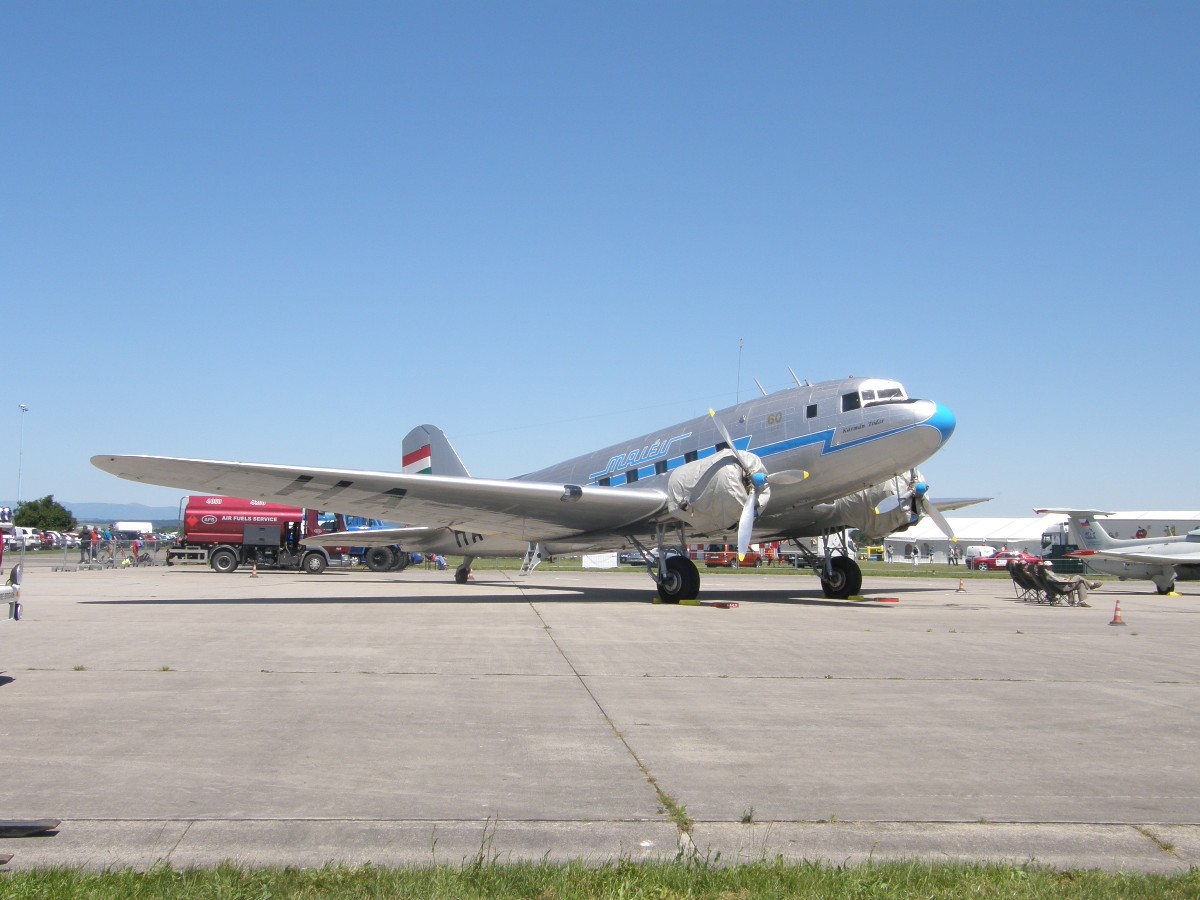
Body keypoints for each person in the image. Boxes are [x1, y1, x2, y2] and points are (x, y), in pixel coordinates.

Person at [1032, 560, 1101, 606]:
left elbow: (1056, 579)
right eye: (1049, 566)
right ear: (1046, 567)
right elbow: (1057, 580)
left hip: (1060, 586)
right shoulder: (1048, 573)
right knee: (1078, 577)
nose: (1051, 567)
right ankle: (1091, 585)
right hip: (1063, 587)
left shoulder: (1046, 573)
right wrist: (1066, 581)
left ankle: (1081, 602)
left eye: (1051, 566)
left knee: (1080, 584)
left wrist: (1064, 579)